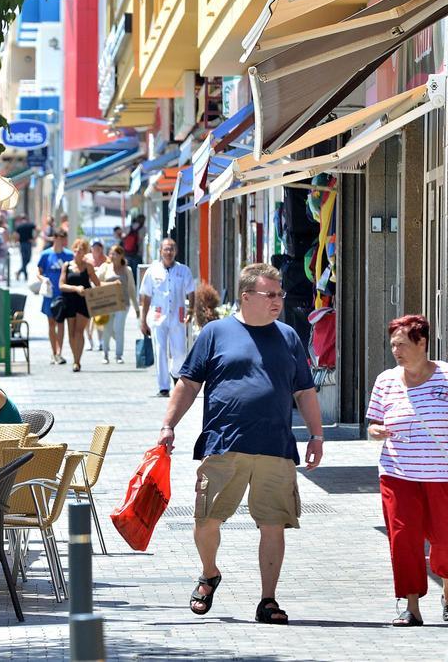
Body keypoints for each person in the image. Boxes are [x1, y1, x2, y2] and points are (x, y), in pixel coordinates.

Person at [156, 263, 324, 626]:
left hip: (275, 446)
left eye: (280, 294)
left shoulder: (289, 337)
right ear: (246, 297)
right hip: (224, 443)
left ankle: (268, 600)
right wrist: (168, 425)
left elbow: (304, 390)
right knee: (206, 520)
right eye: (270, 294)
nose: (278, 301)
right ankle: (209, 573)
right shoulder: (216, 333)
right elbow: (188, 384)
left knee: (273, 524)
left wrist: (316, 435)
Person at [366, 314, 448, 627]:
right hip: (397, 472)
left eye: (402, 344)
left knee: (445, 537)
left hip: (442, 473)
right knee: (403, 538)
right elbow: (373, 424)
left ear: (422, 343)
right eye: (393, 345)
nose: (396, 351)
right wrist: (375, 432)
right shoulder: (385, 380)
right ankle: (411, 606)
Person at [139, 238, 197, 397]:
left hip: (178, 317)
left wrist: (191, 310)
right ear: (160, 251)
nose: (169, 252)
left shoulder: (183, 270)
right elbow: (146, 296)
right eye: (166, 249)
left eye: (171, 249)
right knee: (160, 351)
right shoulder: (152, 271)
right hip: (158, 317)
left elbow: (191, 291)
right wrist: (143, 320)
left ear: (175, 251)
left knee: (180, 352)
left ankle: (175, 372)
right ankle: (163, 387)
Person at [54, 238, 100, 372]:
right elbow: (61, 285)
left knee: (79, 331)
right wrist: (75, 288)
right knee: (71, 333)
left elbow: (97, 284)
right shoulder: (67, 266)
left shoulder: (88, 266)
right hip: (69, 301)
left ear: (85, 252)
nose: (78, 252)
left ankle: (77, 361)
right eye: (76, 249)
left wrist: (112, 285)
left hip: (83, 302)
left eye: (81, 250)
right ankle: (75, 357)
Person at [96, 245, 139, 364]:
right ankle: (105, 354)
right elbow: (95, 281)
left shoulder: (127, 270)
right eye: (110, 253)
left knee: (119, 328)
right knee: (107, 328)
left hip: (123, 303)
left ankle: (119, 355)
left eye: (114, 253)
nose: (112, 256)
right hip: (108, 302)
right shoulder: (105, 267)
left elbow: (131, 289)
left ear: (121, 255)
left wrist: (136, 308)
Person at [36, 230, 73, 365]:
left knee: (61, 322)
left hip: (63, 294)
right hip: (50, 294)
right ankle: (53, 352)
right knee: (51, 323)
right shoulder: (46, 254)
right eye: (60, 238)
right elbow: (38, 272)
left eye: (64, 238)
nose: (62, 241)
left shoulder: (69, 255)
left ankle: (59, 352)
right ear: (55, 238)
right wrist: (43, 279)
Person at [87, 241, 110, 352]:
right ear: (91, 249)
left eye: (98, 248)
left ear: (102, 248)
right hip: (88, 291)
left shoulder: (107, 260)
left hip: (101, 292)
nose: (96, 250)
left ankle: (101, 340)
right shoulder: (87, 259)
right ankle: (89, 340)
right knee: (88, 318)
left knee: (99, 317)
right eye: (94, 248)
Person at [14, 214, 37, 280]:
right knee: (28, 259)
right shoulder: (30, 225)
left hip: (22, 244)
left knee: (24, 260)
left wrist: (16, 241)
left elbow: (16, 235)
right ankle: (25, 275)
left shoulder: (19, 226)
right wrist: (34, 238)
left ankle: (19, 272)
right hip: (28, 243)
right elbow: (38, 230)